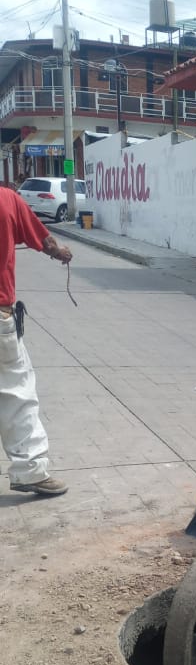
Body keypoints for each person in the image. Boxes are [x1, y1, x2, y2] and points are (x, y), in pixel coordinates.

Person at [0, 186, 72, 497]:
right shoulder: (7, 199)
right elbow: (44, 240)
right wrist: (60, 252)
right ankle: (29, 470)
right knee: (17, 395)